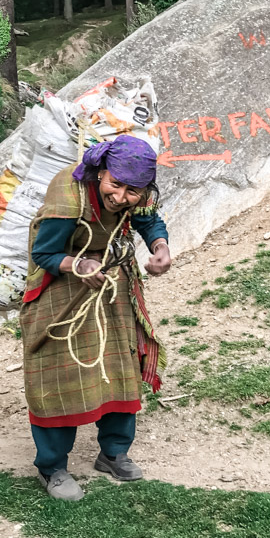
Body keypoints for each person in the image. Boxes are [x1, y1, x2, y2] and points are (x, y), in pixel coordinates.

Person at [20, 134, 171, 501]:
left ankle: (114, 452)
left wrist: (160, 246)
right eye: (115, 185)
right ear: (101, 172)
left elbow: (148, 220)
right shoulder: (68, 191)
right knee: (58, 372)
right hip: (61, 281)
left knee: (121, 366)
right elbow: (45, 252)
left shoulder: (140, 192)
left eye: (132, 191)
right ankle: (52, 467)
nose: (121, 198)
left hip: (111, 280)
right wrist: (78, 264)